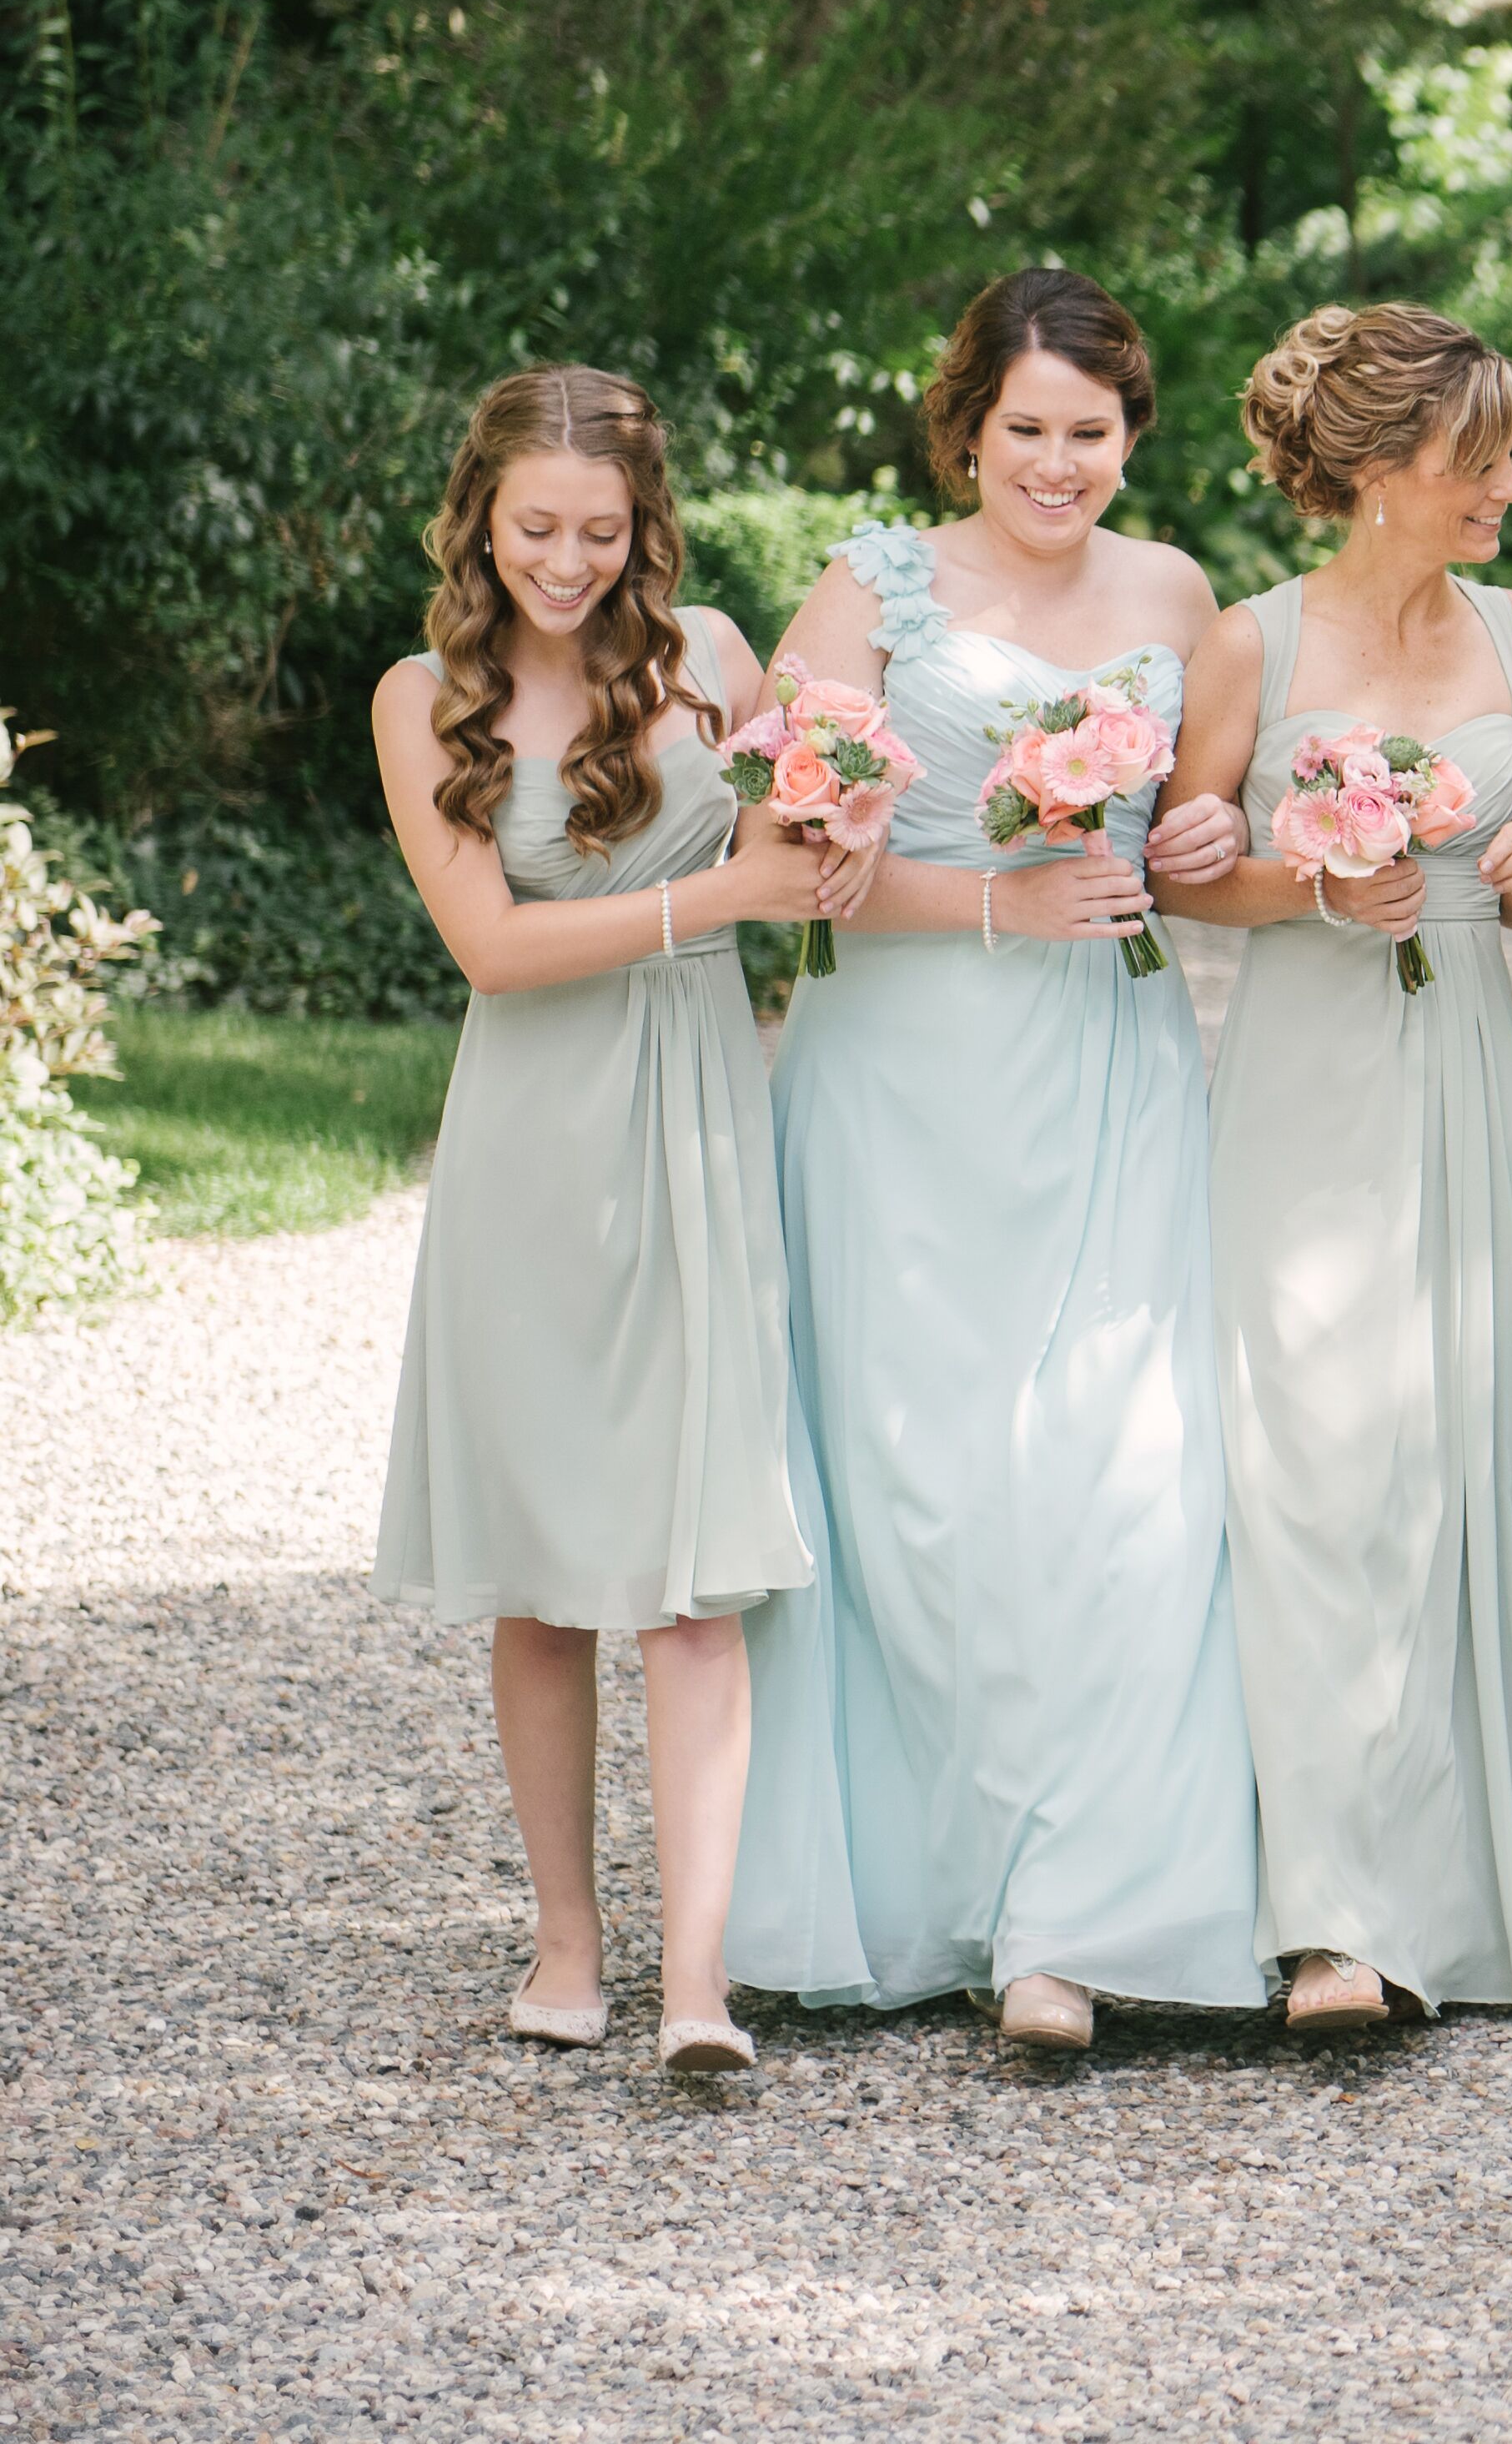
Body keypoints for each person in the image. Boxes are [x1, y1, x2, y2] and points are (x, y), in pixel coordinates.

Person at [728, 269, 1265, 2050]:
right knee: (925, 1483)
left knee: (1116, 1473)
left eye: (1089, 433)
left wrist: (1206, 822)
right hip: (902, 1074)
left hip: (1110, 1064)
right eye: (1024, 428)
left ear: (1132, 434)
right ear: (966, 425)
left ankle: (1071, 1918)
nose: (1056, 463)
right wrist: (995, 902)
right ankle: (922, 1894)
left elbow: (1195, 837)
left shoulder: (1177, 594)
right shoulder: (872, 586)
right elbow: (786, 855)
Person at [369, 367, 862, 2074]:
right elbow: (493, 948)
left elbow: (818, 842)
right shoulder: (423, 698)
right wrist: (715, 895)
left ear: (644, 528)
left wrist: (835, 841)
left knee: (695, 1577)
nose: (565, 563)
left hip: (697, 1128)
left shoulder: (716, 660)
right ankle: (567, 1943)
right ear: (479, 521)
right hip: (530, 1142)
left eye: (599, 531)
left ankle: (700, 1984)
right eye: (533, 530)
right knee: (542, 1575)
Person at [1162, 304, 1512, 2030]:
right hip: (1311, 1072)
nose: (1503, 483)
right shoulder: (1250, 645)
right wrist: (1313, 881)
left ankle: (1446, 1894)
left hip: (1464, 1057)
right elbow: (1188, 870)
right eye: (1475, 455)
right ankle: (1325, 1913)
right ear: (1378, 465)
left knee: (1459, 1456)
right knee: (1318, 1461)